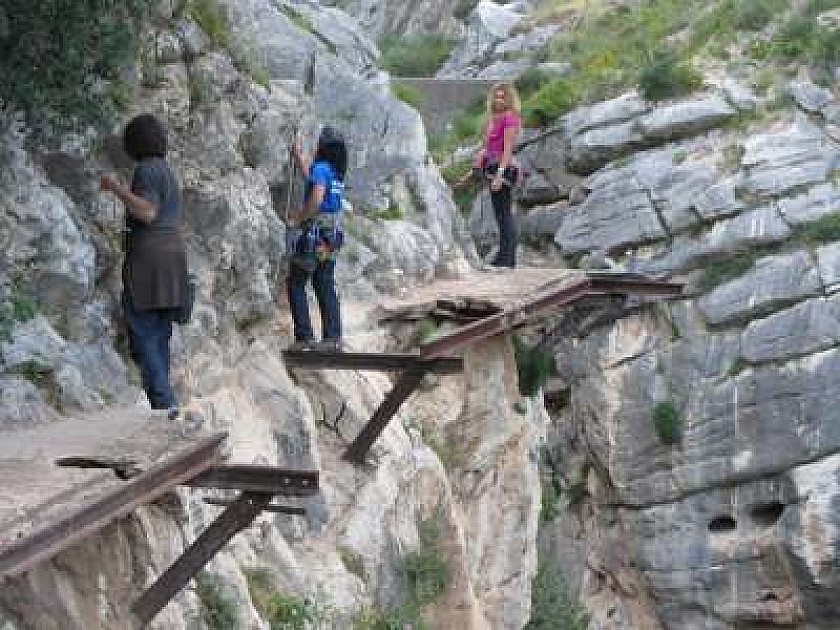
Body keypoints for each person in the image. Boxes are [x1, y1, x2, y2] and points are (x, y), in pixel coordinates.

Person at [101, 114, 188, 417]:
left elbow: (147, 212)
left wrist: (115, 188)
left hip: (149, 259)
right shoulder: (167, 171)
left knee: (143, 334)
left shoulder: (147, 170)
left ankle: (165, 406)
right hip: (173, 256)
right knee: (160, 333)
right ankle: (165, 405)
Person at [286, 126, 347, 351]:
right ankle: (333, 338)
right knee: (324, 284)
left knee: (296, 283)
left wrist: (299, 218)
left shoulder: (322, 168)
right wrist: (299, 156)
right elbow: (313, 179)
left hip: (314, 235)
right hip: (331, 238)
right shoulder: (335, 172)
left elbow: (316, 198)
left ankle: (304, 338)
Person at [473, 82, 522, 268]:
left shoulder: (509, 118)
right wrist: (481, 157)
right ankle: (504, 257)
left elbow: (508, 149)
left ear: (509, 99)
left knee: (504, 215)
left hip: (503, 168)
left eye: (503, 97)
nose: (498, 100)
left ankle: (507, 259)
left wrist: (500, 174)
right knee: (501, 214)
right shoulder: (494, 119)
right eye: (496, 96)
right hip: (493, 167)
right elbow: (489, 147)